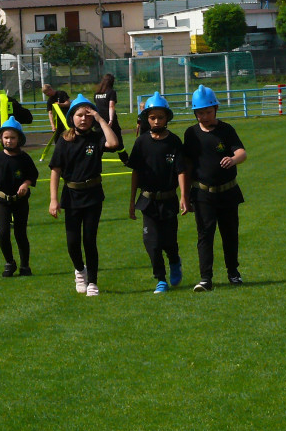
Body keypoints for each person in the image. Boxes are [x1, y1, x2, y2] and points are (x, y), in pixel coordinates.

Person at [48, 93, 120, 297]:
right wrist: (54, 200)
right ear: (72, 117)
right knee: (72, 242)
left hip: (93, 196)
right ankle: (80, 271)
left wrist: (100, 119)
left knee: (89, 239)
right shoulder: (64, 141)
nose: (83, 118)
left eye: (87, 115)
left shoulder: (97, 137)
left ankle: (93, 283)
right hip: (71, 196)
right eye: (79, 115)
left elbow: (113, 143)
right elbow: (55, 171)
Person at [183, 85, 248, 292]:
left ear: (216, 109)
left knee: (230, 234)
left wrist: (233, 159)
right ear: (195, 113)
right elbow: (187, 166)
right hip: (203, 194)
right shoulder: (191, 134)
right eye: (200, 113)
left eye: (208, 112)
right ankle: (205, 278)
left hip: (228, 192)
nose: (204, 116)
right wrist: (184, 195)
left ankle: (233, 273)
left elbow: (242, 153)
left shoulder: (226, 130)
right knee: (205, 235)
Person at [127, 92, 189, 294]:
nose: (156, 121)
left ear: (167, 118)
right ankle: (160, 279)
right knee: (151, 242)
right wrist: (131, 202)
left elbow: (181, 170)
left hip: (169, 200)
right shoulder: (141, 142)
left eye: (160, 117)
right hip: (147, 201)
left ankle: (174, 261)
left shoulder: (174, 142)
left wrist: (183, 197)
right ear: (146, 118)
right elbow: (136, 172)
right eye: (152, 117)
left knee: (169, 241)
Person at [0, 117, 38, 277]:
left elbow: (32, 175)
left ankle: (25, 266)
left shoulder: (24, 158)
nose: (9, 141)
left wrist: (25, 184)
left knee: (20, 233)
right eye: (6, 137)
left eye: (12, 138)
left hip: (20, 202)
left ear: (19, 139)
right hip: (1, 201)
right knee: (3, 233)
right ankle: (9, 262)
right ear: (1, 138)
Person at [93, 73, 128, 164]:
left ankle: (94, 159)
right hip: (108, 120)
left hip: (98, 120)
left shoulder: (97, 93)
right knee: (118, 140)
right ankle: (125, 160)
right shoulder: (111, 92)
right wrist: (111, 120)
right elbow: (111, 106)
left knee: (100, 140)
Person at [40, 84, 71, 161]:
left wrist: (60, 104)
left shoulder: (61, 93)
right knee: (57, 138)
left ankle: (70, 152)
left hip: (66, 119)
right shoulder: (49, 100)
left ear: (50, 89)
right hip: (58, 122)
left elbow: (68, 103)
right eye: (45, 94)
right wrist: (52, 125)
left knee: (69, 135)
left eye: (47, 93)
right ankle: (59, 155)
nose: (47, 95)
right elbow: (50, 113)